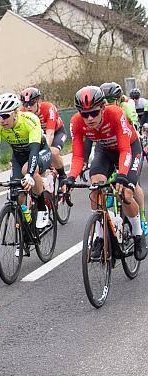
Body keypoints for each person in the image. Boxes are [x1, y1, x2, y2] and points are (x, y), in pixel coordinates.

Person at [65, 86, 147, 260]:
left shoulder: (115, 114)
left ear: (103, 107)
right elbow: (79, 155)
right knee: (95, 189)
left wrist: (123, 175)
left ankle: (138, 234)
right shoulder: (76, 122)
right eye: (84, 114)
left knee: (126, 192)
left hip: (130, 149)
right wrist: (70, 177)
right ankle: (100, 237)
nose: (89, 118)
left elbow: (125, 149)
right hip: (105, 151)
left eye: (93, 113)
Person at [0, 93, 52, 230]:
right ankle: (25, 228)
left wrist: (30, 174)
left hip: (39, 152)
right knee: (18, 194)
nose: (1, 120)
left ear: (15, 113)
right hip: (18, 156)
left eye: (5, 116)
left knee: (27, 171)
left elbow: (34, 150)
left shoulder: (30, 120)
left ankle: (42, 208)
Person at [99, 82, 147, 234]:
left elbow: (133, 126)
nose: (107, 104)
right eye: (104, 100)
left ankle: (143, 217)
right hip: (111, 147)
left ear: (118, 100)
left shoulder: (126, 107)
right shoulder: (101, 112)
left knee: (133, 184)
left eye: (111, 100)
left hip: (129, 142)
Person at [20, 87, 68, 186]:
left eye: (31, 104)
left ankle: (62, 176)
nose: (28, 107)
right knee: (37, 165)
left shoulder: (48, 108)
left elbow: (50, 134)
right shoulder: (21, 113)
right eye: (25, 104)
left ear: (38, 101)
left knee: (52, 152)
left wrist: (44, 151)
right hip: (37, 137)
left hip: (56, 132)